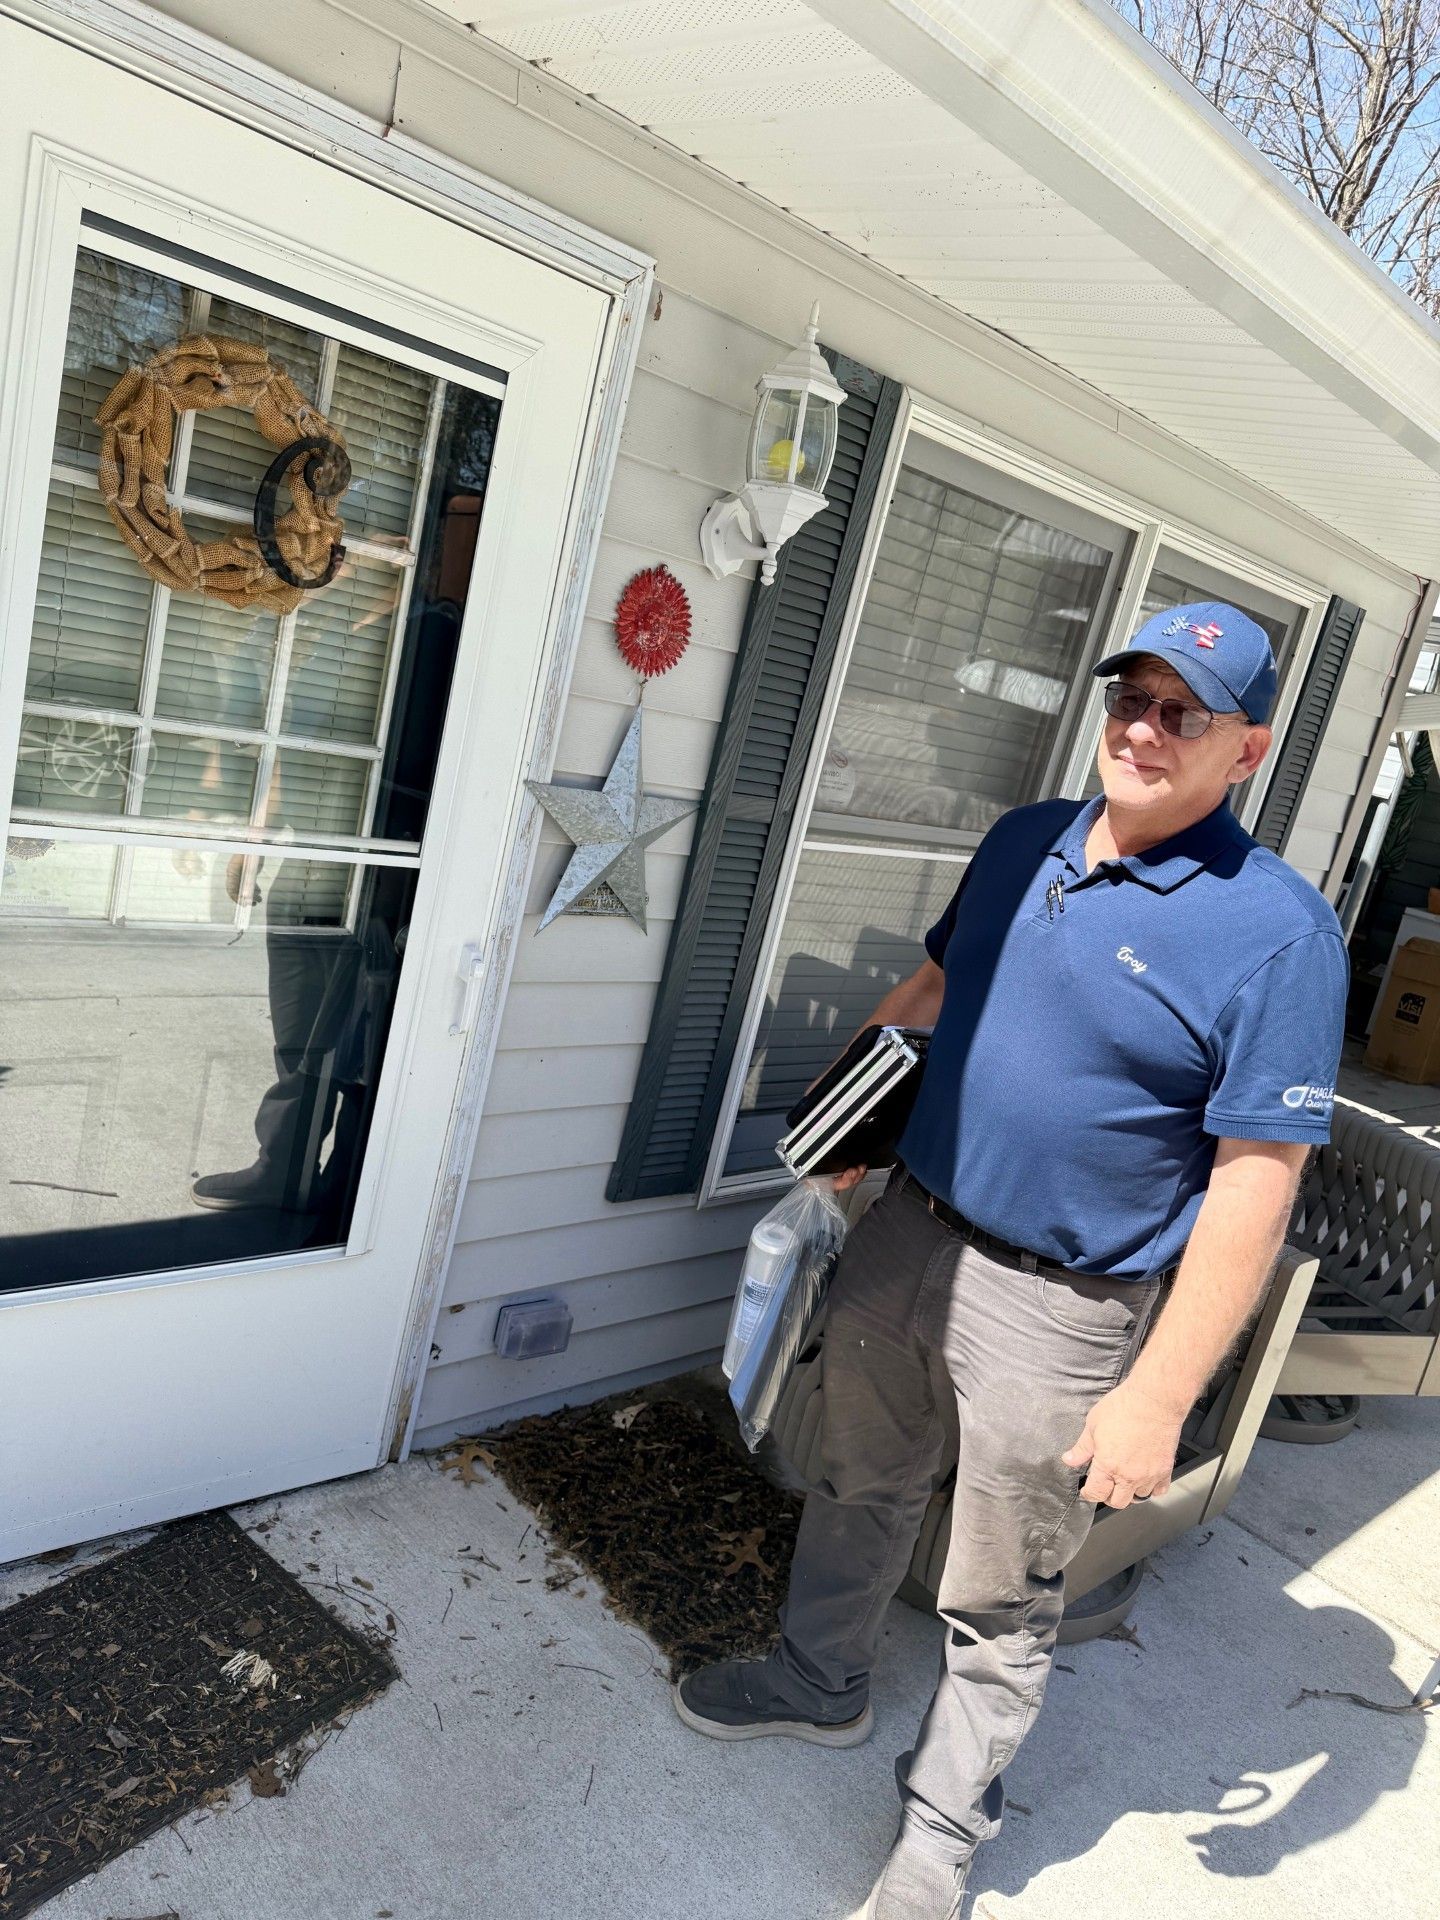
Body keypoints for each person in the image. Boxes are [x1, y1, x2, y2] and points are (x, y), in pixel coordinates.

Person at [673, 603, 1349, 1920]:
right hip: (912, 1230)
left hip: (1066, 1308)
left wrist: (1158, 1394)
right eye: (1132, 700)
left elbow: (1255, 1186)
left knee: (1000, 1590)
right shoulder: (1024, 838)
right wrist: (832, 1142)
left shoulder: (1278, 934)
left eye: (1183, 713)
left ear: (1246, 750)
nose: (1144, 731)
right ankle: (820, 1682)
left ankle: (941, 1839)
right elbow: (930, 994)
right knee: (858, 1480)